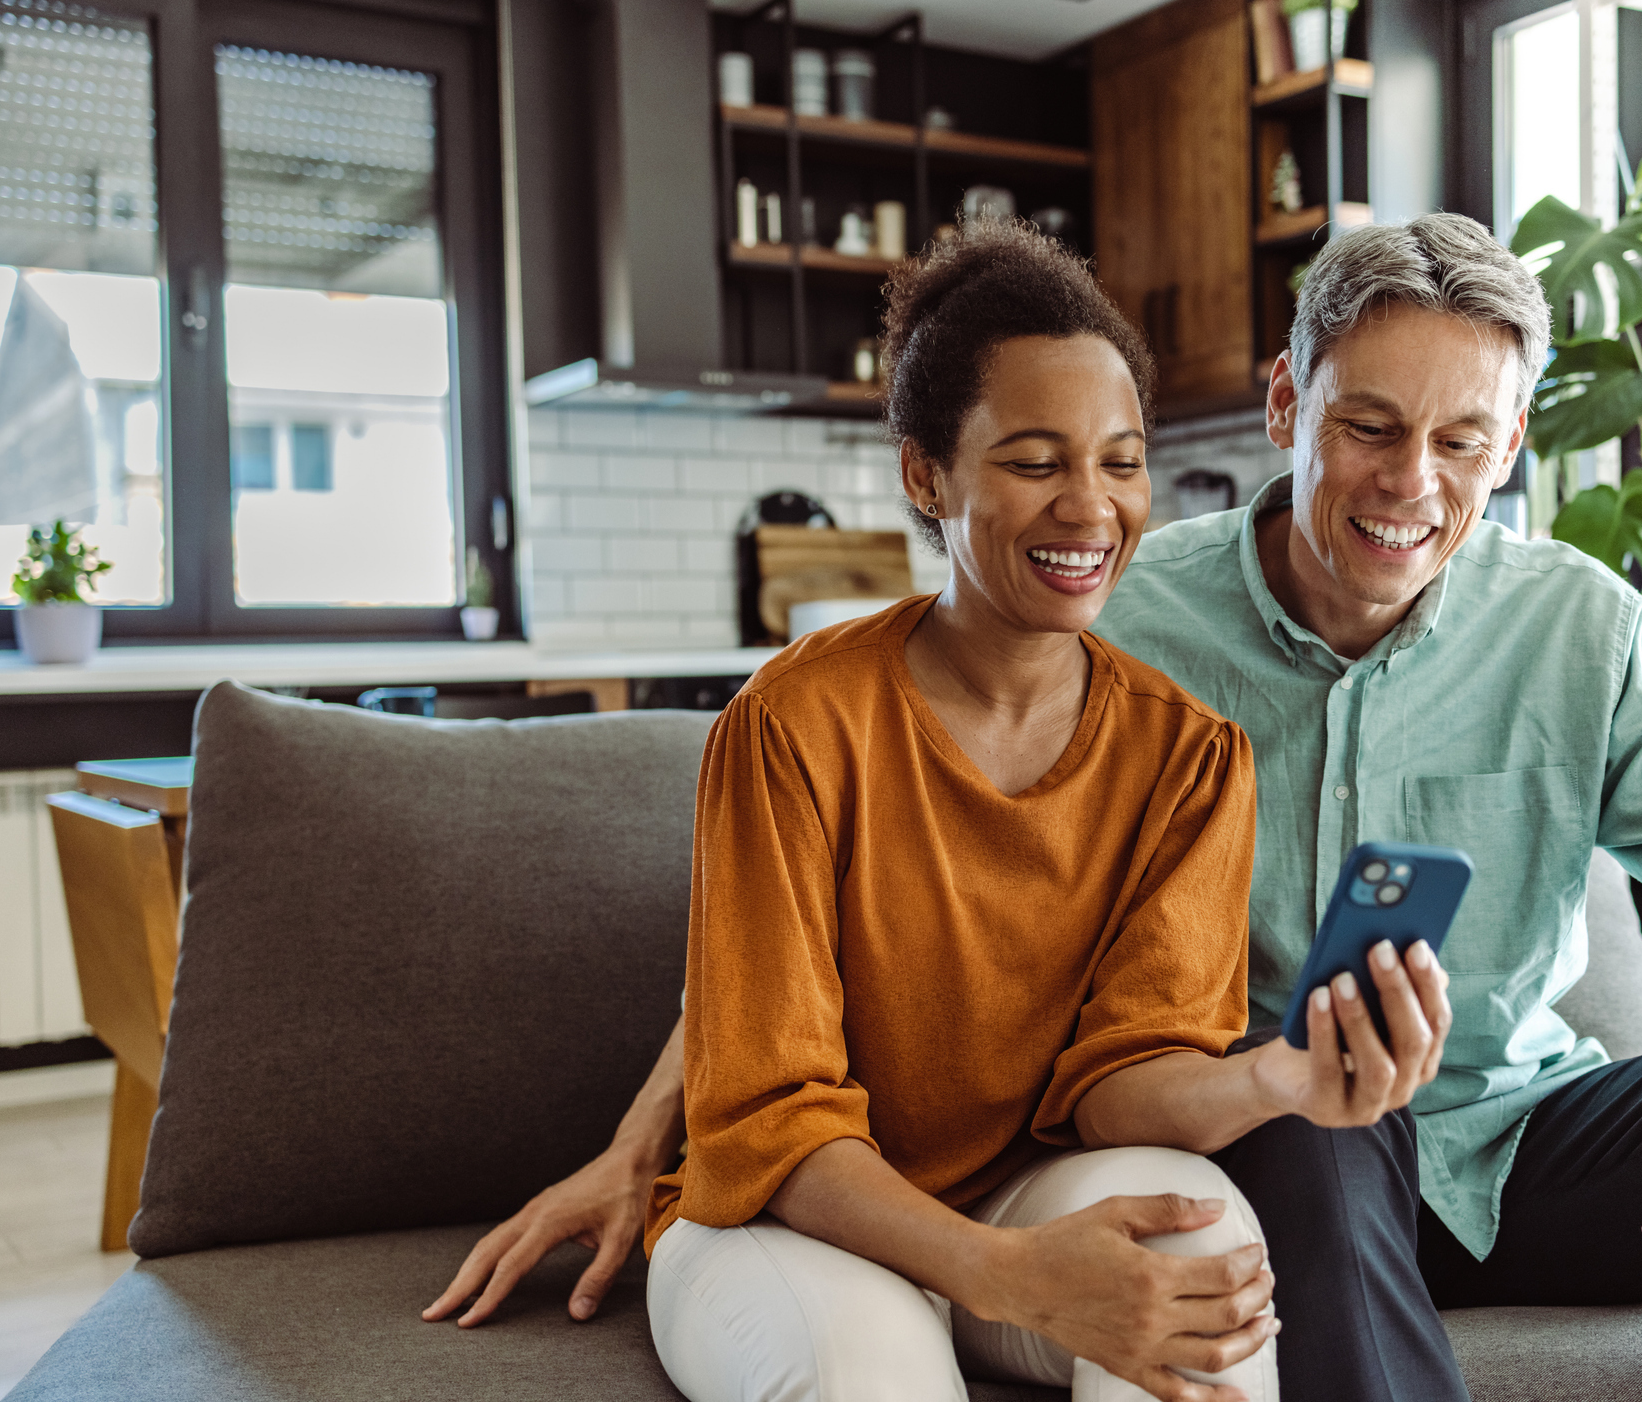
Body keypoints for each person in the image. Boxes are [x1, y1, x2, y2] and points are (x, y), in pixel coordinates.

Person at [424, 219, 1454, 1402]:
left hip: (1023, 1190)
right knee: (871, 1371)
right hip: (790, 1215)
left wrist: (1279, 1078)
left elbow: (1124, 1076)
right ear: (926, 475)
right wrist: (1000, 1274)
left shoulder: (1188, 755)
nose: (1090, 506)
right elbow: (764, 1113)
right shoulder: (789, 724)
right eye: (1032, 461)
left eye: (1120, 462)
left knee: (1203, 1256)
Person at [1087, 214, 1642, 1402]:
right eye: (1367, 426)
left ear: (1511, 440)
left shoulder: (1577, 628)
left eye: (1461, 440)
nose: (1409, 483)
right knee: (1312, 1108)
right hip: (1281, 1158)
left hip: (1524, 1143)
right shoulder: (1124, 629)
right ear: (1284, 402)